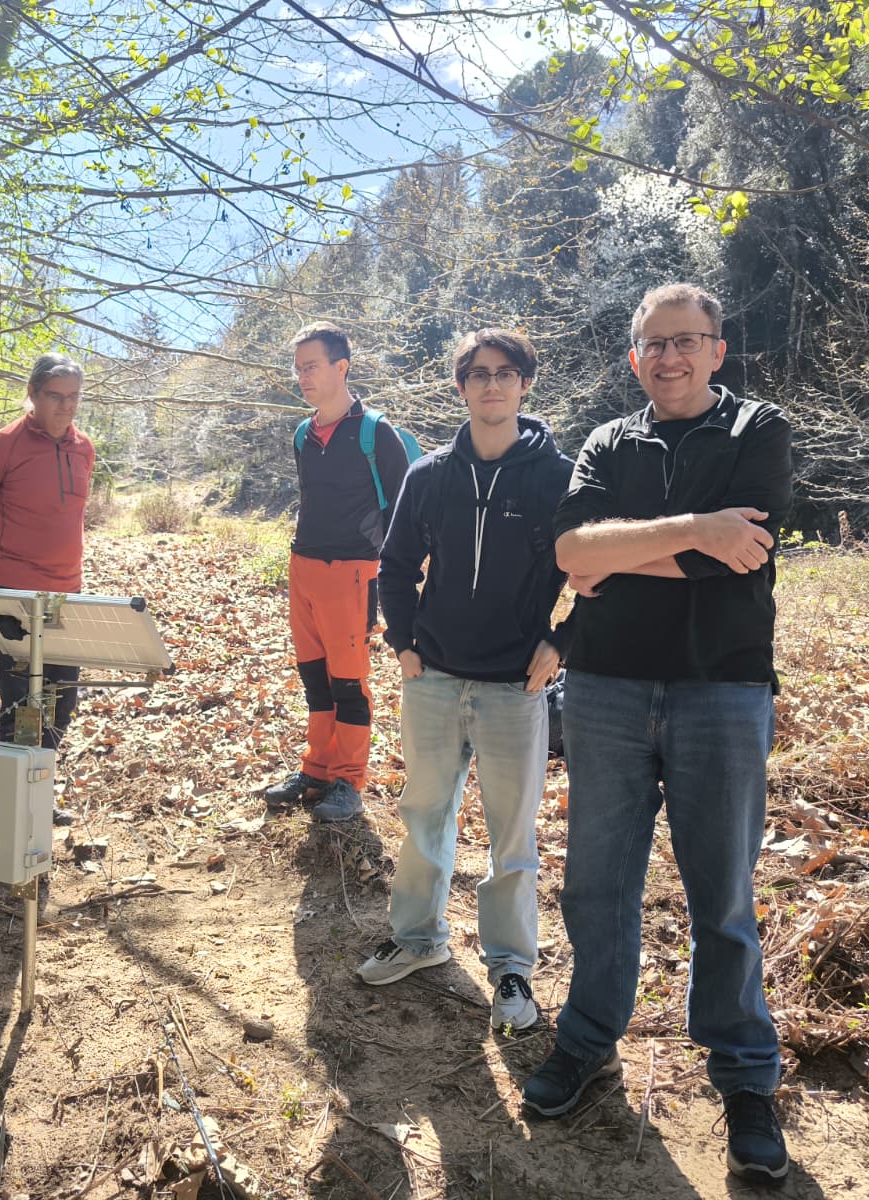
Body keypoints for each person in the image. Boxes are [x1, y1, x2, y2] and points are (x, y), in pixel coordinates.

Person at [521, 284, 794, 1187]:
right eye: (653, 344)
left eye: (686, 340)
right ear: (634, 356)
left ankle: (745, 1076)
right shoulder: (608, 441)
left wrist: (627, 549)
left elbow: (745, 555)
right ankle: (587, 1037)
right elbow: (570, 552)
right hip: (604, 686)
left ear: (717, 349)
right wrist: (697, 532)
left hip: (724, 689)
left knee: (723, 894)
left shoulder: (757, 429)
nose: (669, 357)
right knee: (596, 883)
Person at [355, 329, 575, 1036]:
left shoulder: (558, 477)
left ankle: (511, 966)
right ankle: (419, 938)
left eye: (505, 373)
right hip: (435, 678)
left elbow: (600, 575)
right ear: (461, 387)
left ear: (525, 384)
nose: (492, 385)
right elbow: (394, 567)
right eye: (478, 374)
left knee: (512, 836)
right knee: (424, 816)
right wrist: (404, 643)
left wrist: (562, 642)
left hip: (516, 686)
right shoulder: (430, 476)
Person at [265, 322, 410, 822]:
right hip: (303, 567)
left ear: (341, 366)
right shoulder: (303, 434)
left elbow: (402, 511)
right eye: (298, 368)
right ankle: (317, 769)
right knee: (314, 678)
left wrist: (396, 581)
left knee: (348, 682)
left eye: (311, 366)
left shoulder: (376, 433)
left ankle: (349, 779)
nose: (302, 376)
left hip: (352, 572)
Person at [0, 353, 94, 771]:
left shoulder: (84, 448)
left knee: (61, 705)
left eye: (73, 396)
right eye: (55, 396)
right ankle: (11, 800)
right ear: (32, 393)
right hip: (13, 596)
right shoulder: (4, 444)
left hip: (66, 596)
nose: (66, 406)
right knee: (20, 710)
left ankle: (39, 791)